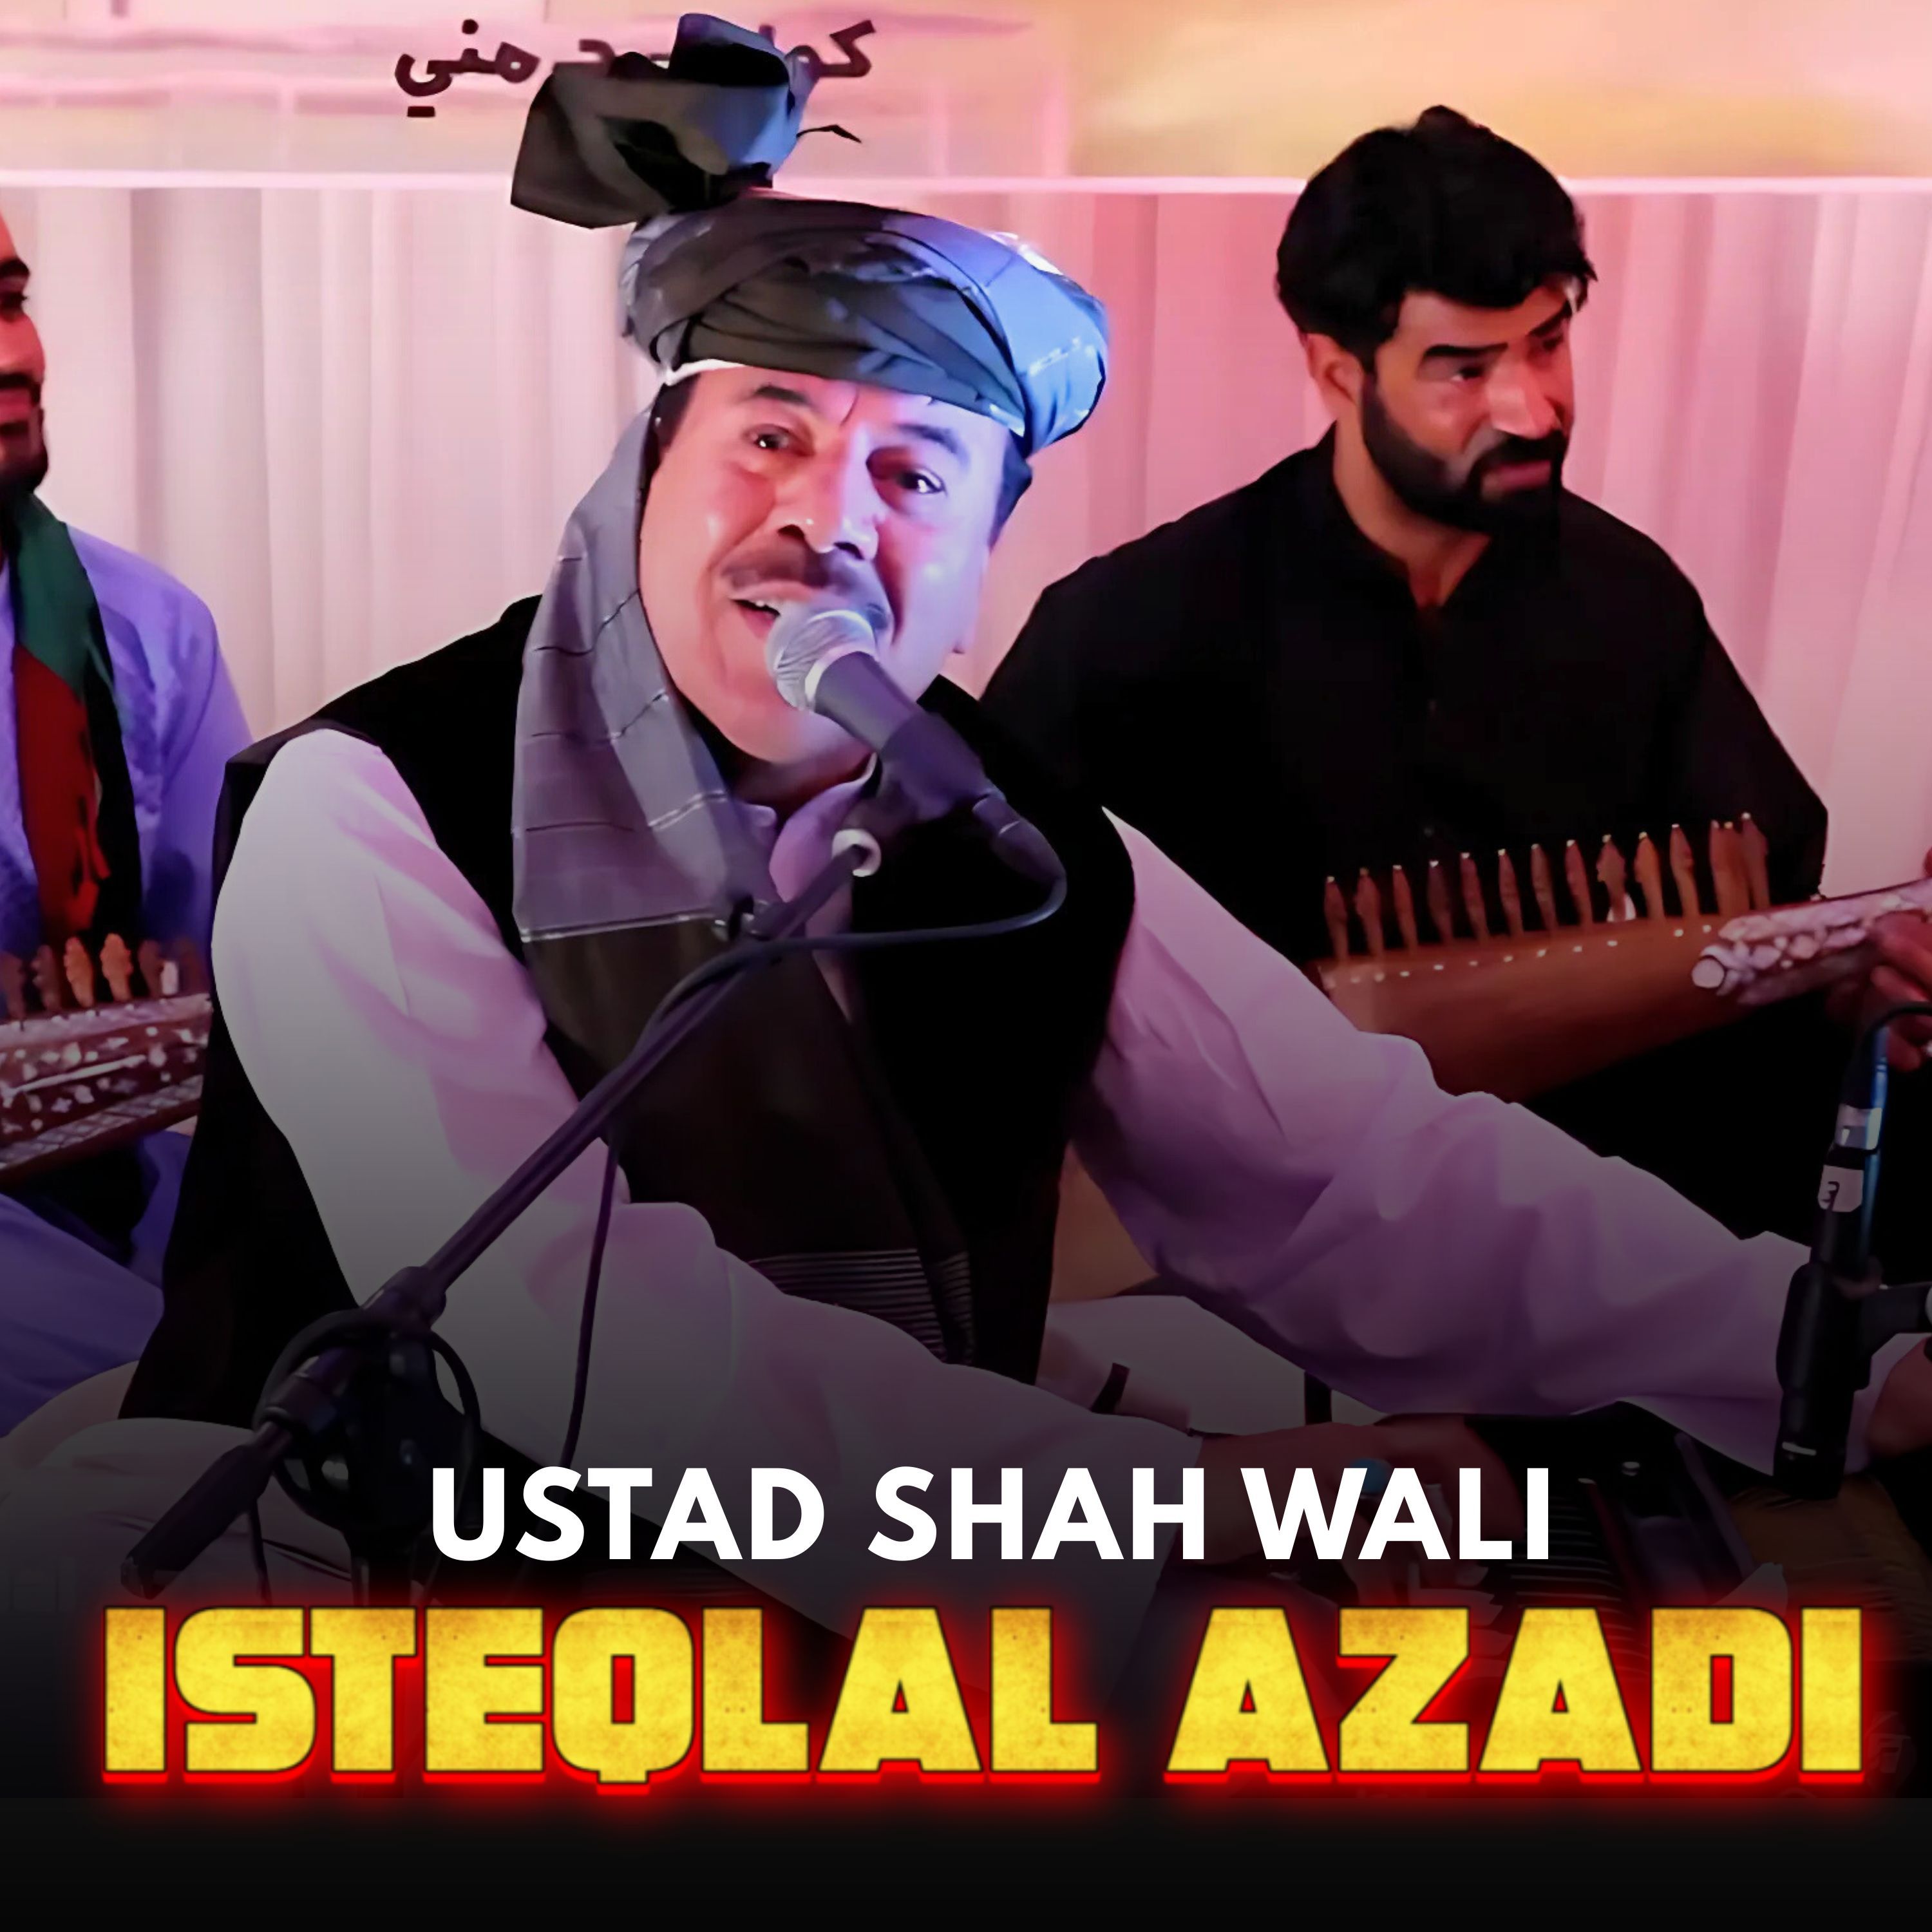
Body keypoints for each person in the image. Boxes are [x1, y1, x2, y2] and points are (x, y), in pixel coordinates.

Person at [9, 32, 1931, 1687]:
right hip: (337, 1589)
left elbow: (1358, 1175)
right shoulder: (368, 808)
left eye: (913, 474)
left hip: (847, 1599)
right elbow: (574, 1342)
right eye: (771, 436)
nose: (822, 520)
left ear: (980, 559)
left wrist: (1816, 1351)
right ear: (648, 476)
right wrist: (1175, 1508)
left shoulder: (1010, 839)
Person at [983, 107, 1932, 1268]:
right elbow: (1002, 983)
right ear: (1338, 370)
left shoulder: (1629, 602)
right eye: (1466, 369)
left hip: (1610, 1225)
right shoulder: (1133, 629)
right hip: (1247, 1255)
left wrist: (1869, 980)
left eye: (1549, 343)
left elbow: (1750, 937)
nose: (1532, 409)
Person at [0, 205, 251, 1434]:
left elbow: (235, 1000)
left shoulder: (147, 630)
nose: (12, 353)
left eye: (9, 300)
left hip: (129, 1214)